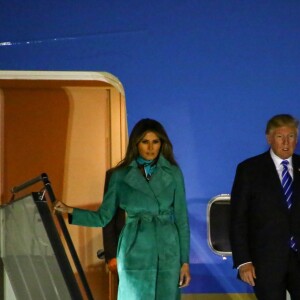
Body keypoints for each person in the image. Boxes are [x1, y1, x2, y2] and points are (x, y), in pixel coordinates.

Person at [54, 118, 191, 300]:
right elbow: (103, 217)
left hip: (167, 247)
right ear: (136, 144)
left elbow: (182, 220)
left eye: (155, 142)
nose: (150, 148)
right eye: (145, 142)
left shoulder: (173, 173)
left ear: (162, 144)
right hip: (134, 247)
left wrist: (184, 262)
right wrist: (71, 211)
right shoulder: (119, 176)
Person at [230, 114, 300, 300]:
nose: (286, 142)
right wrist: (243, 261)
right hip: (266, 262)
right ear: (269, 138)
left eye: (291, 136)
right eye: (280, 137)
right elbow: (238, 219)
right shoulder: (249, 170)